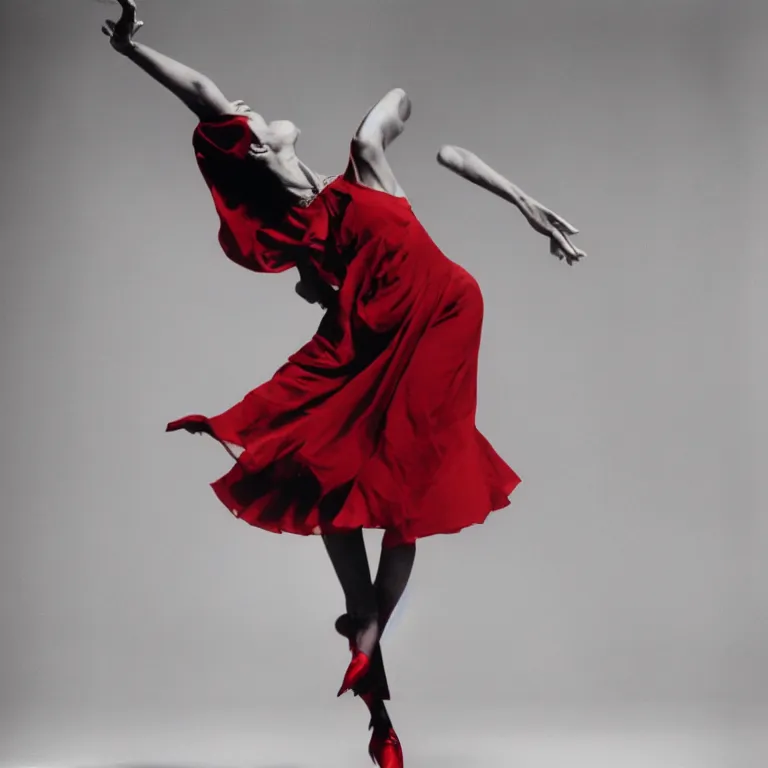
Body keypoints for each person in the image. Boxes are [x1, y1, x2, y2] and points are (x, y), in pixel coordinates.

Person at [101, 2, 585, 766]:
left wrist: (131, 50)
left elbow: (205, 93)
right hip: (447, 309)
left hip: (411, 328)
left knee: (349, 480)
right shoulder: (358, 168)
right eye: (252, 123)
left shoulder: (310, 236)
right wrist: (510, 194)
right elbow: (398, 103)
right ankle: (374, 675)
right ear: (260, 155)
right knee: (393, 492)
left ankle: (365, 636)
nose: (253, 111)